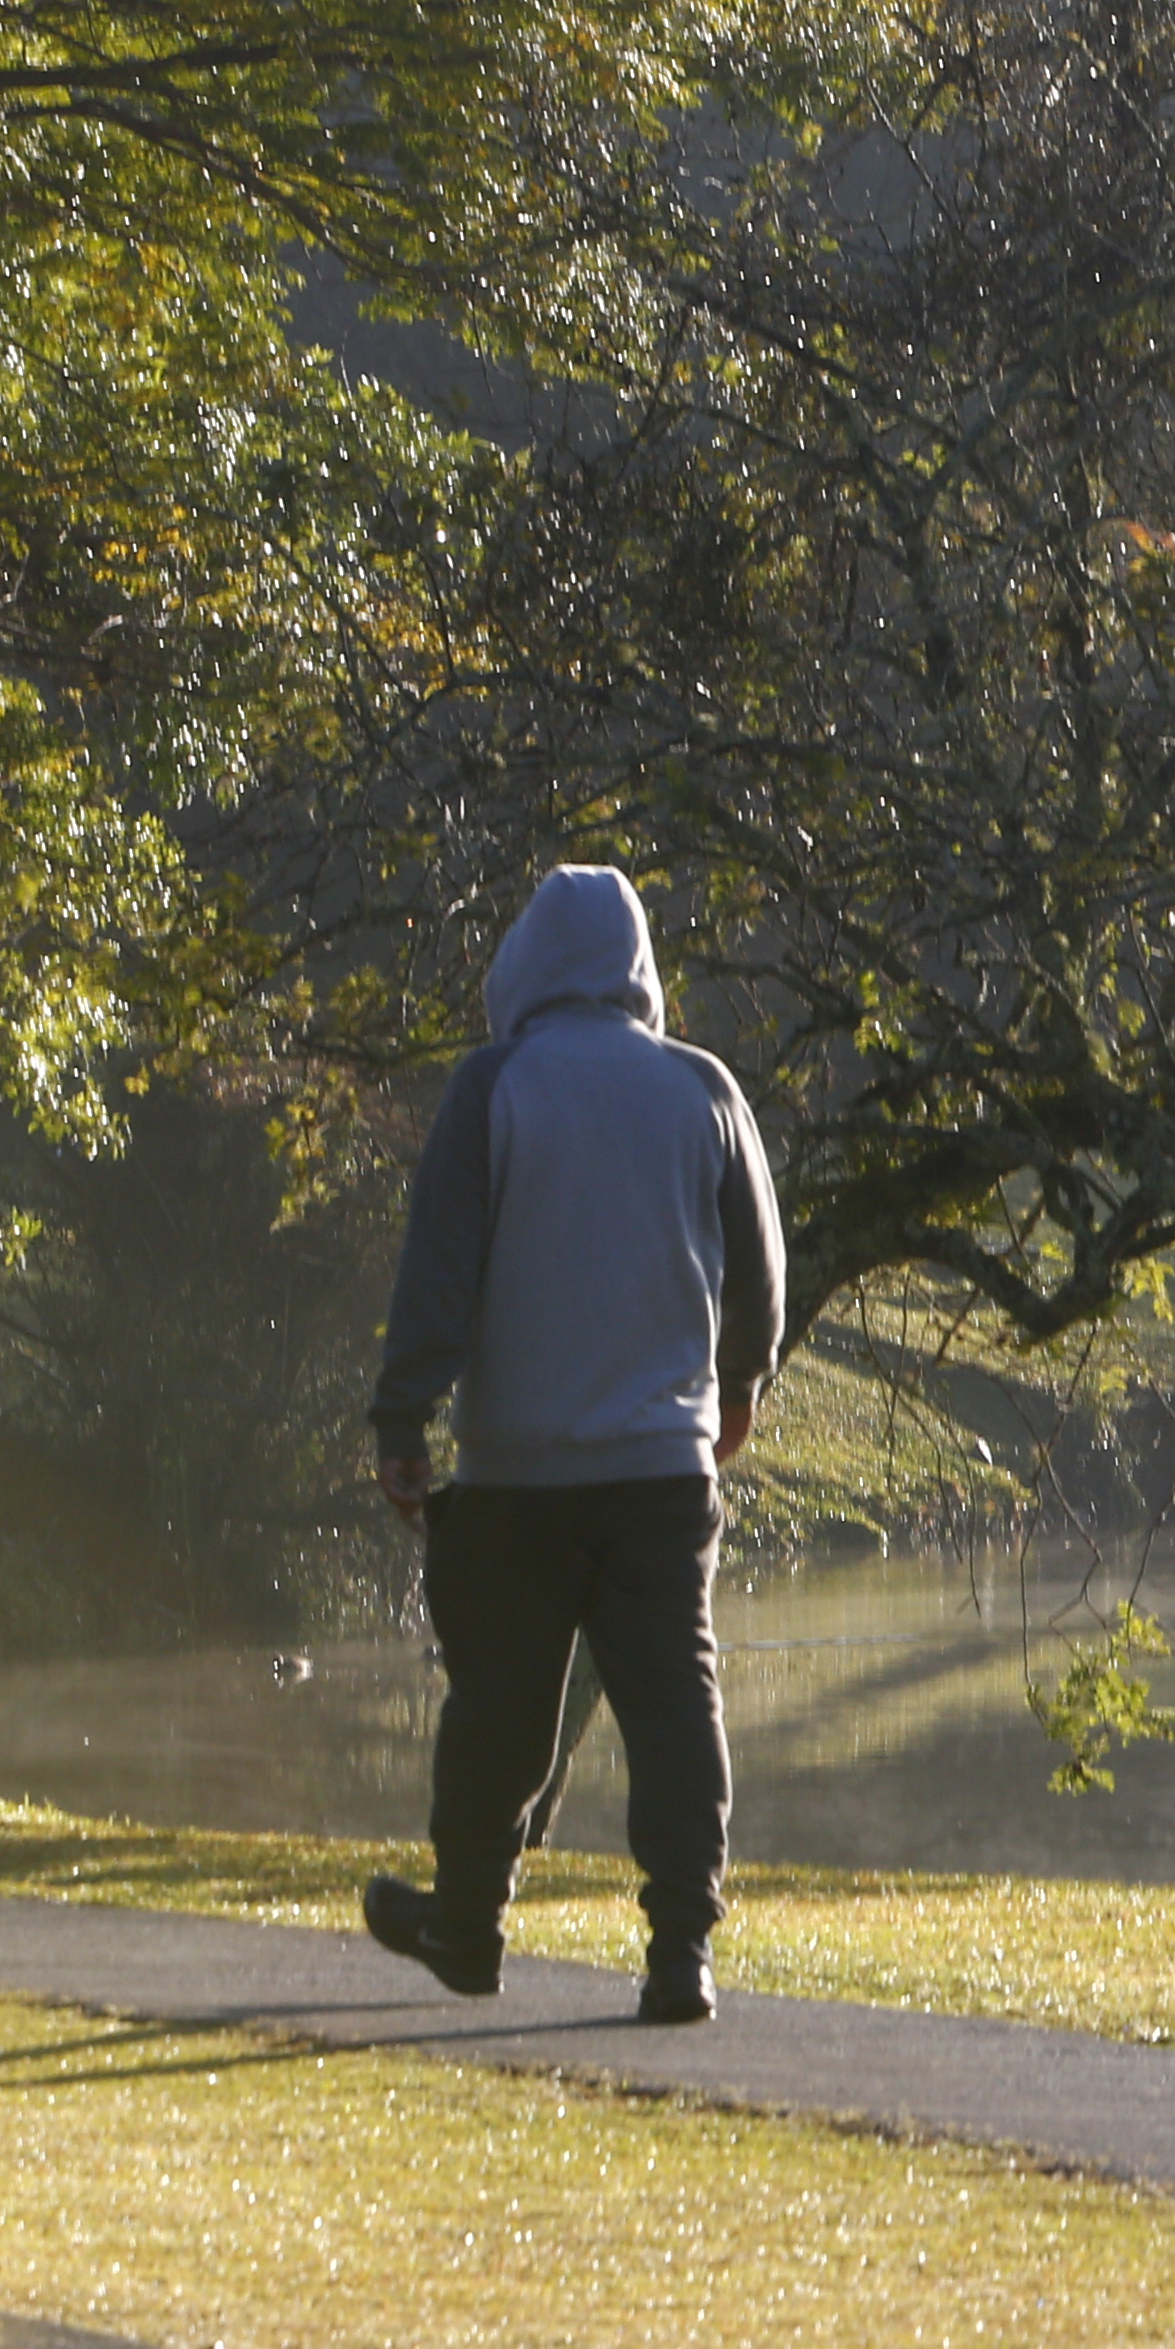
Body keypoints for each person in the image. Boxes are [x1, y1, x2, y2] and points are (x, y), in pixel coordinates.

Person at [361, 863, 782, 2024]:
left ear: (524, 968)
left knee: (498, 1702)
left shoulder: (494, 1085)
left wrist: (404, 1419)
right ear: (639, 971)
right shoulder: (703, 1090)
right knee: (674, 1702)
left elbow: (438, 1274)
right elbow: (759, 1274)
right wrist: (737, 1385)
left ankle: (468, 1923)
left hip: (518, 1469)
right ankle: (681, 1951)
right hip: (661, 1467)